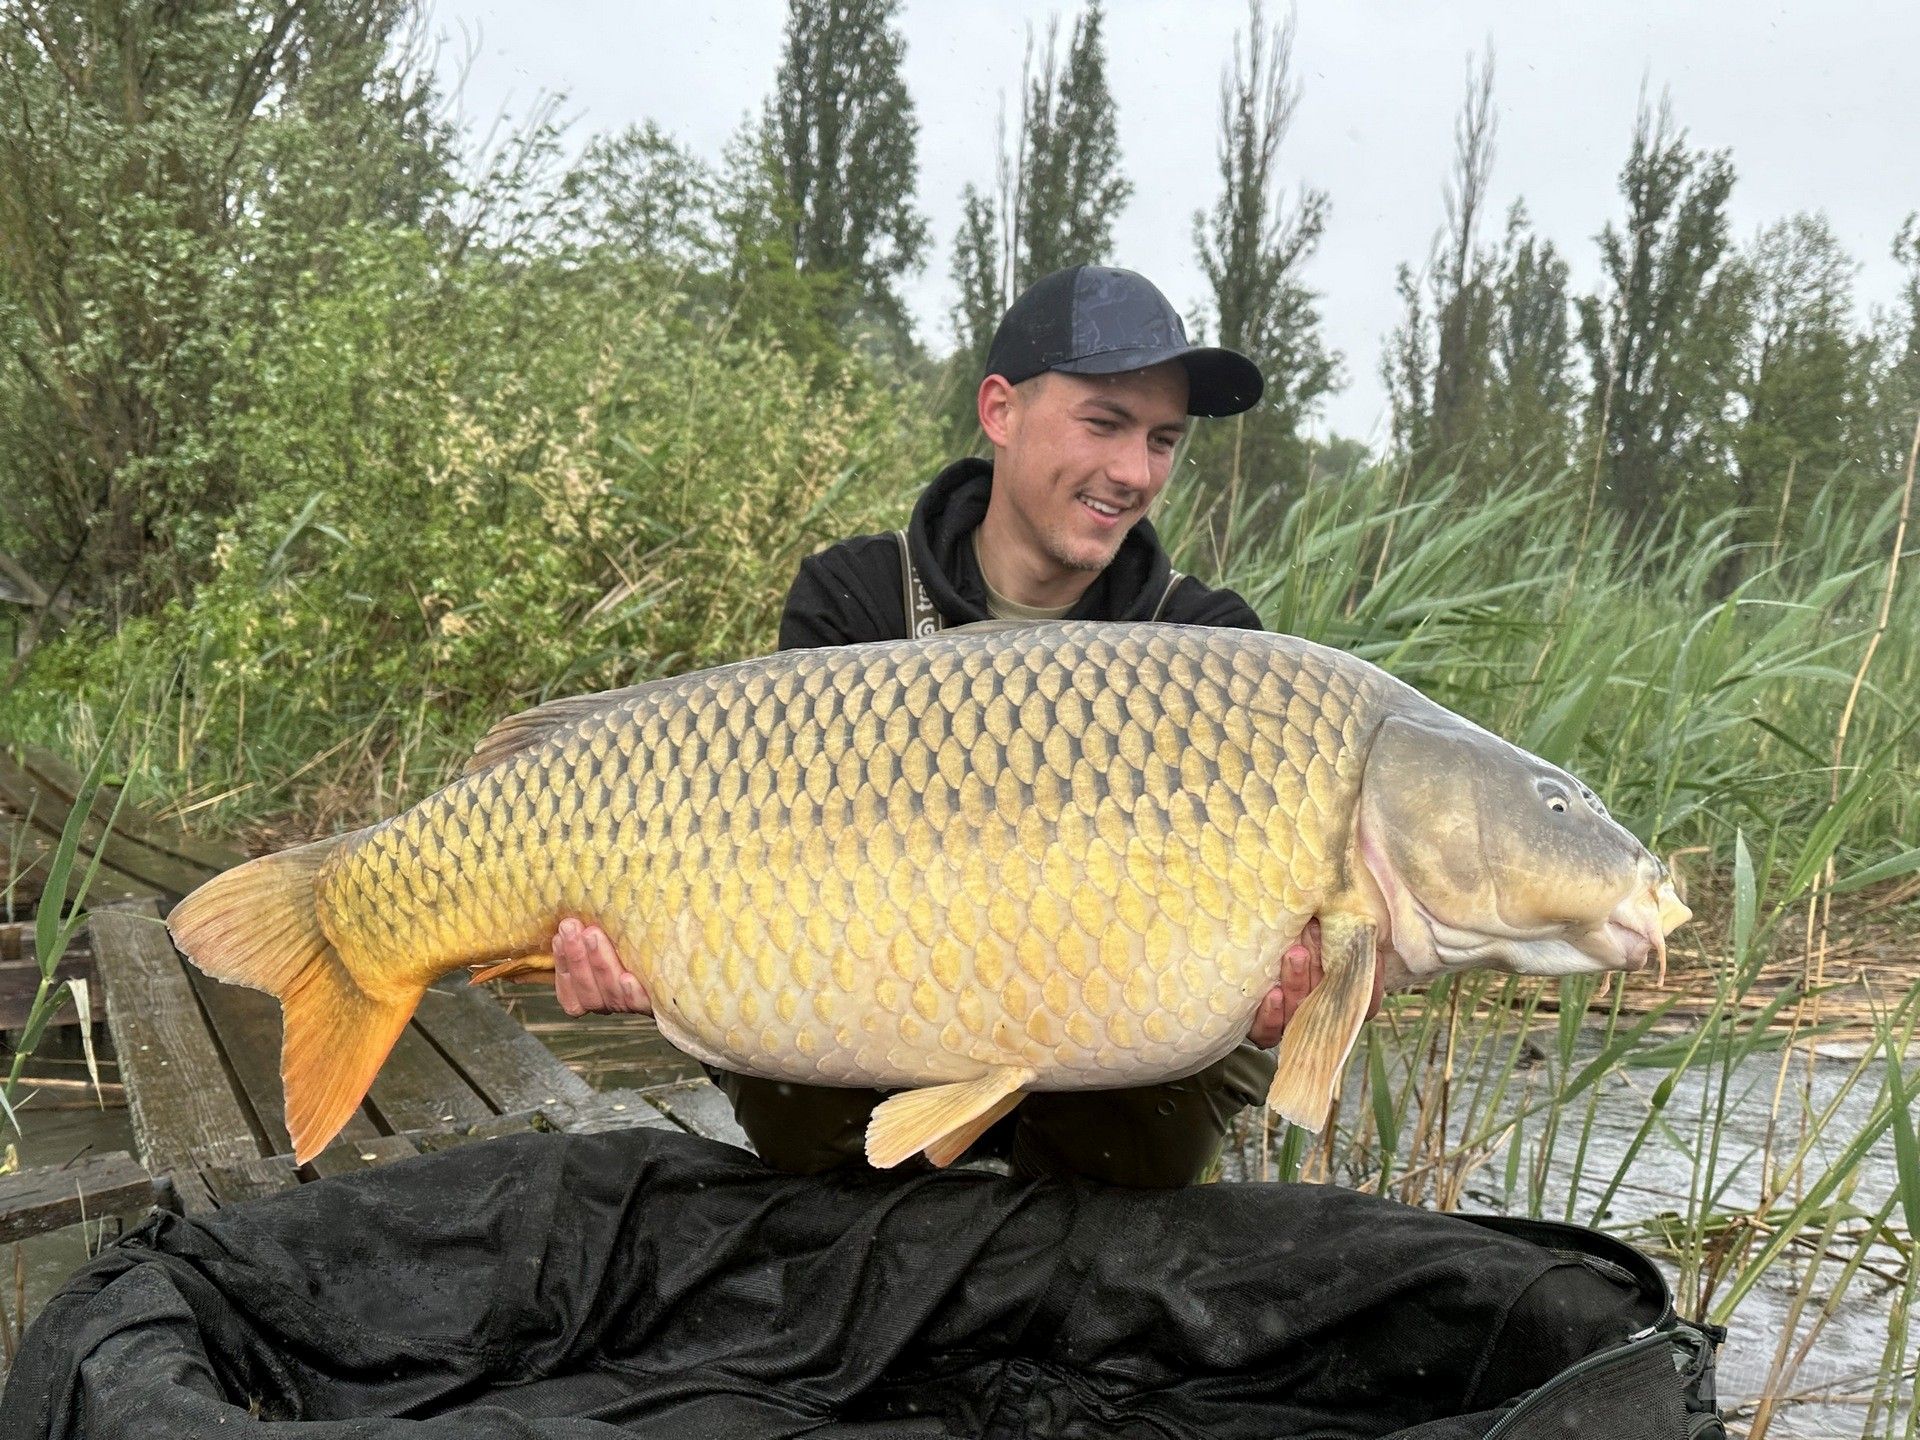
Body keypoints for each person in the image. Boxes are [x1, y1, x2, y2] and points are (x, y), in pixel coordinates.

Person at [549, 265, 1379, 1185]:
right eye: (1103, 423)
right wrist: (650, 961)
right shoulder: (856, 595)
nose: (1133, 472)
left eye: (1162, 439)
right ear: (999, 411)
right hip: (871, 1012)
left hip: (1106, 1087)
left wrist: (1278, 1005)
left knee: (1154, 1128)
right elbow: (762, 870)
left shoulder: (1215, 650)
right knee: (787, 1044)